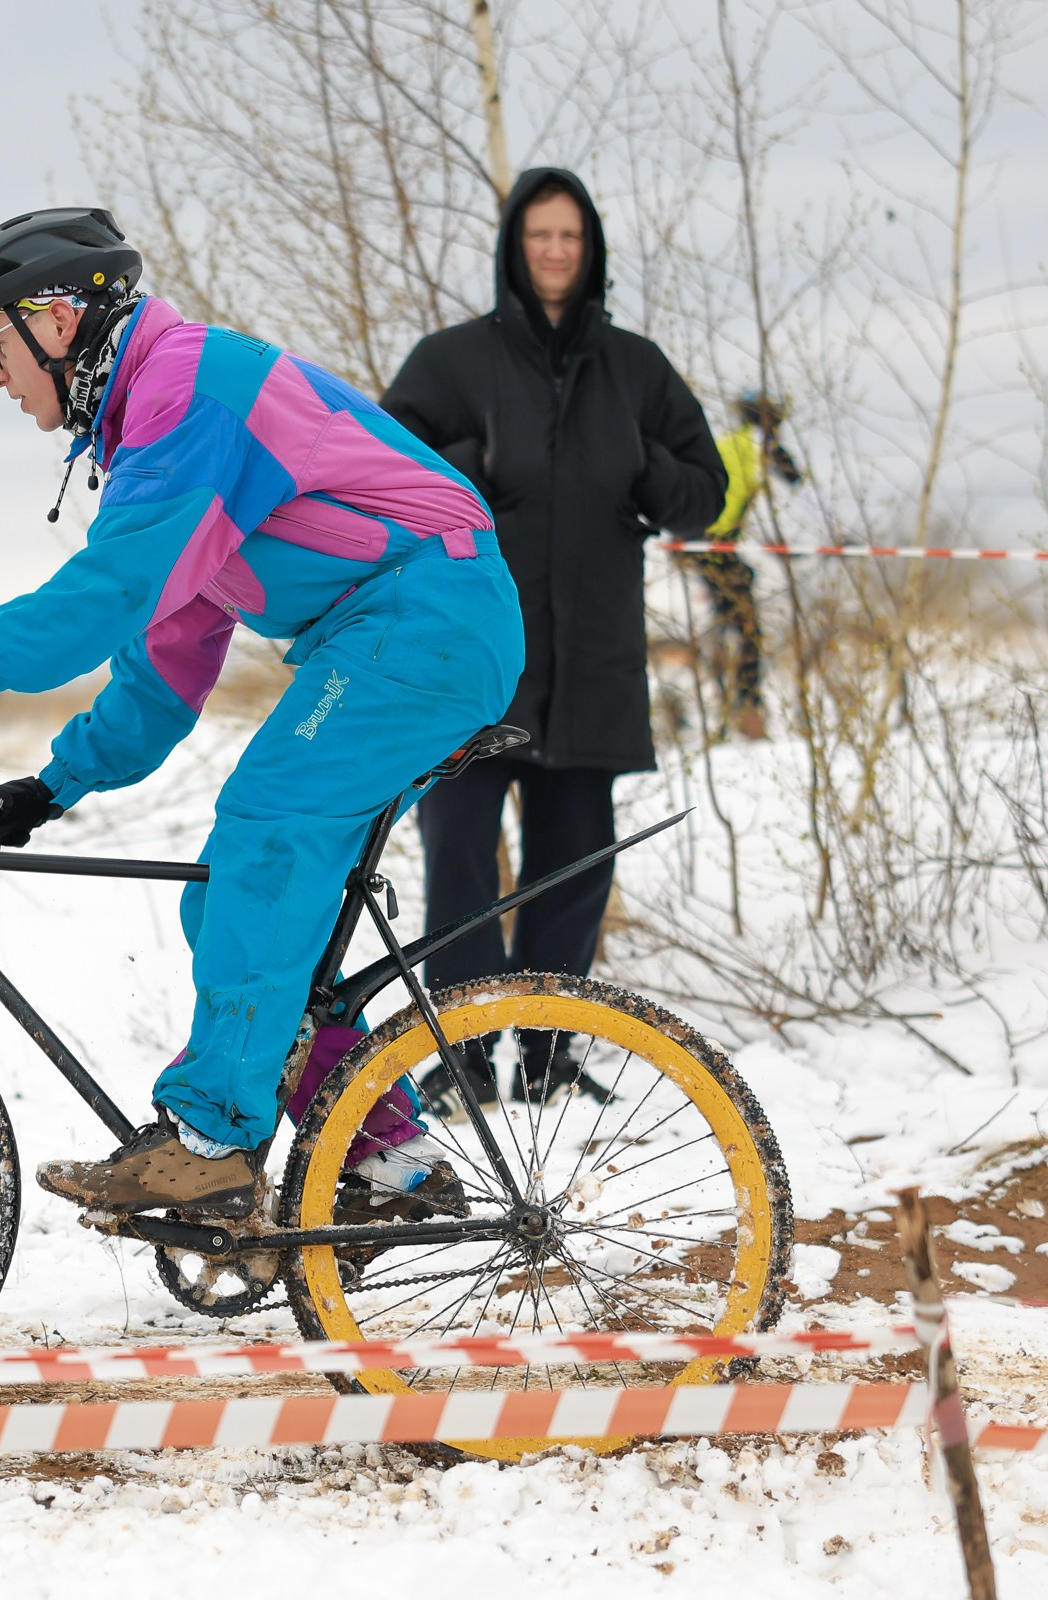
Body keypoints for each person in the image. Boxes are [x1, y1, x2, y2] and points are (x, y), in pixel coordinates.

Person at [0, 207, 524, 1218]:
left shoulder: (189, 391)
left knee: (269, 826)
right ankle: (390, 1157)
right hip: (403, 628)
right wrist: (49, 789)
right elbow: (161, 673)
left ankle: (212, 1139)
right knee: (227, 898)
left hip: (427, 617)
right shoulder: (150, 431)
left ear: (55, 320)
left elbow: (118, 586)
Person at [379, 169, 724, 1113]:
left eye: (572, 236)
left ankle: (547, 1054)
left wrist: (640, 463)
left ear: (593, 247)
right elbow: (381, 460)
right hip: (473, 664)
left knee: (573, 866)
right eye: (540, 235)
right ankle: (459, 1055)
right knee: (457, 857)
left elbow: (707, 489)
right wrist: (468, 466)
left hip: (593, 666)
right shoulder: (453, 362)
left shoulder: (636, 369)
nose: (557, 251)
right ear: (514, 246)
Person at [686, 388, 803, 741]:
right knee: (748, 632)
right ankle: (744, 709)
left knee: (732, 619)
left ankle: (730, 707)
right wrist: (838, 534)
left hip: (698, 542)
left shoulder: (727, 441)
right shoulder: (761, 445)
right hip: (716, 546)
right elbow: (798, 488)